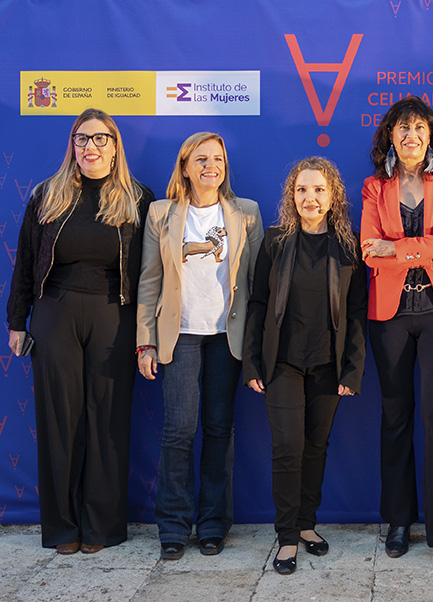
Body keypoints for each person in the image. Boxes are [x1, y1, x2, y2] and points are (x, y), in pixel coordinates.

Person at [6, 108, 154, 554]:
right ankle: (63, 529)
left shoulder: (137, 198)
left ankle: (102, 528)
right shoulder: (46, 195)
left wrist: (148, 330)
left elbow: (152, 271)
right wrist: (17, 321)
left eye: (100, 138)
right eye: (82, 138)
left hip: (115, 314)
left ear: (115, 146)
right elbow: (25, 261)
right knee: (60, 420)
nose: (91, 147)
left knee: (108, 419)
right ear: (72, 145)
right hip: (56, 312)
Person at [136, 132, 263, 560]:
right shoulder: (161, 213)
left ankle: (212, 524)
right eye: (202, 159)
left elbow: (256, 283)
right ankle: (173, 526)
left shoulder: (246, 213)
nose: (212, 166)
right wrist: (145, 342)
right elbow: (149, 280)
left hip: (227, 337)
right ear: (185, 167)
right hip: (180, 334)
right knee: (179, 430)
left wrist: (257, 345)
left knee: (219, 429)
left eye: (218, 159)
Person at [360, 96, 433, 571]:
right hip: (390, 315)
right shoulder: (374, 186)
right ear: (391, 135)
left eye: (419, 128)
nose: (411, 136)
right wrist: (428, 246)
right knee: (395, 417)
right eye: (402, 128)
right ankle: (399, 521)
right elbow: (370, 250)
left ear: (431, 136)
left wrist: (399, 248)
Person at [243, 157, 367, 575]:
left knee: (316, 447)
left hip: (329, 365)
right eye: (301, 190)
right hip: (281, 363)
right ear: (291, 196)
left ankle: (306, 524)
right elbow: (258, 302)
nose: (309, 198)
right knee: (287, 448)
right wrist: (252, 362)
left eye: (318, 190)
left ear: (333, 197)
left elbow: (356, 313)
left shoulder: (349, 245)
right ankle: (286, 537)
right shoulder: (275, 241)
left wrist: (352, 369)